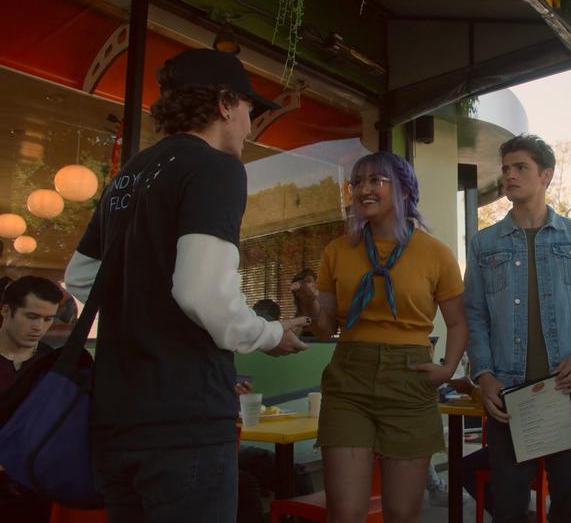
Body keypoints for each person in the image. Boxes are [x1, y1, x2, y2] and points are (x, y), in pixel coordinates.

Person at [63, 49, 308, 522]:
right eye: (248, 111)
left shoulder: (128, 175)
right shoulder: (215, 167)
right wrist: (271, 335)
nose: (250, 126)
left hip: (117, 421)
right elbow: (203, 293)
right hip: (184, 421)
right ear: (224, 104)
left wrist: (146, 294)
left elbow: (80, 277)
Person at [292, 151, 468, 522]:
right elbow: (325, 328)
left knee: (401, 513)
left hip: (410, 378)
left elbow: (457, 321)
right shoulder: (337, 251)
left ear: (404, 190)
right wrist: (308, 300)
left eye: (375, 181)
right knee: (345, 513)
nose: (363, 190)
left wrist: (448, 367)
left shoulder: (435, 253)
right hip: (349, 378)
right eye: (356, 183)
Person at [464, 134, 571, 522]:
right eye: (507, 169)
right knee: (510, 507)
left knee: (568, 505)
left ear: (545, 175)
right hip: (509, 395)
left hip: (564, 388)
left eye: (521, 168)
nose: (510, 176)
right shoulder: (484, 244)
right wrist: (483, 374)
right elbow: (474, 314)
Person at [0, 275, 64, 522]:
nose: (39, 327)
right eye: (31, 316)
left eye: (48, 319)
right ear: (6, 311)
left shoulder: (53, 366)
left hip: (34, 487)